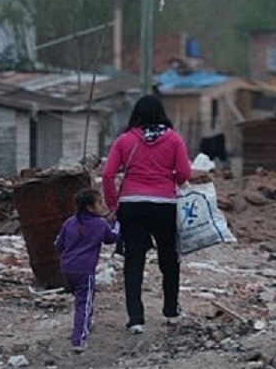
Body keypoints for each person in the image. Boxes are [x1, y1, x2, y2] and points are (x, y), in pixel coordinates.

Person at [101, 94, 191, 334]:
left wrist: (112, 205)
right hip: (164, 204)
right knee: (169, 258)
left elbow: (108, 174)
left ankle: (136, 319)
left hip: (132, 204)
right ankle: (171, 311)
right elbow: (184, 172)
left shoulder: (124, 140)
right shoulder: (174, 139)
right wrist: (169, 179)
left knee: (134, 260)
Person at [54, 187, 119, 352]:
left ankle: (85, 325)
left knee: (82, 299)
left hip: (67, 267)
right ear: (90, 208)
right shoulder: (99, 224)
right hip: (85, 270)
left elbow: (59, 245)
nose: (102, 205)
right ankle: (79, 339)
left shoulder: (69, 222)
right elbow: (111, 238)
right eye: (99, 202)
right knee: (84, 302)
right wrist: (117, 223)